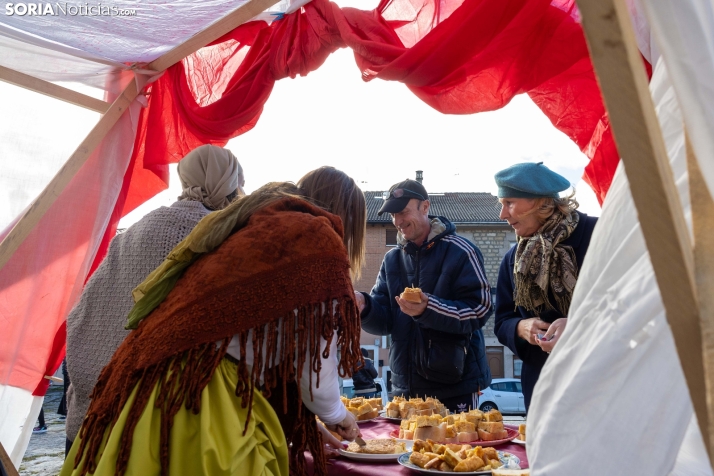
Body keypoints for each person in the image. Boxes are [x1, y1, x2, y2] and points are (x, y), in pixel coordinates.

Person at [60, 166, 366, 476]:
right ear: (348, 217)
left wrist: (311, 424)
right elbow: (314, 364)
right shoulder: (316, 239)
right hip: (205, 394)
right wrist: (338, 415)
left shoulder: (259, 225)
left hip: (157, 384)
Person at [65, 145, 244, 457]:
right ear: (229, 184)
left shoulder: (135, 231)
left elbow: (84, 310)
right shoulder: (217, 238)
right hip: (150, 424)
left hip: (92, 411)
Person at [355, 179, 492, 414]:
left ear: (425, 207)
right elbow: (386, 321)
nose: (398, 221)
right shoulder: (392, 259)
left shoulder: (461, 250)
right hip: (404, 388)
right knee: (408, 450)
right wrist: (365, 306)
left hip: (454, 385)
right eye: (393, 215)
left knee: (458, 450)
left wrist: (428, 309)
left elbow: (480, 310)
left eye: (403, 212)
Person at [493, 162, 597, 411]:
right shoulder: (513, 259)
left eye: (509, 203)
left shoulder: (598, 233)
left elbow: (633, 299)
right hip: (542, 387)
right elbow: (502, 321)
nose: (502, 215)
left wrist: (577, 324)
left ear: (540, 203)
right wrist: (520, 327)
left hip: (598, 380)